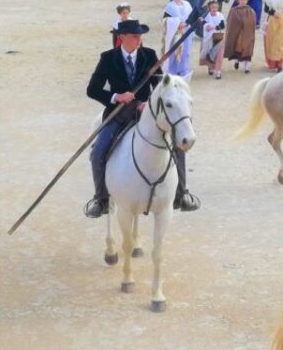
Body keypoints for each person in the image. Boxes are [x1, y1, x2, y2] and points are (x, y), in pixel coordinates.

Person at [85, 19, 199, 218]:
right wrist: (116, 97)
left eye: (140, 36)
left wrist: (149, 102)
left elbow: (163, 86)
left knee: (178, 146)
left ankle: (181, 194)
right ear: (122, 38)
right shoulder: (108, 58)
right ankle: (101, 198)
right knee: (97, 153)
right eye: (135, 36)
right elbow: (92, 89)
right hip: (118, 114)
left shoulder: (149, 56)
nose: (139, 39)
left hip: (147, 114)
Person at [162, 0, 194, 79]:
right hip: (175, 31)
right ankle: (172, 70)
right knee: (174, 50)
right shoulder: (170, 7)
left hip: (187, 30)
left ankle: (183, 69)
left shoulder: (187, 4)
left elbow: (192, 16)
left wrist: (187, 23)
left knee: (185, 51)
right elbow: (165, 20)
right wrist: (177, 24)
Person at [224, 0, 256, 73]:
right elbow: (230, 23)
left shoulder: (251, 11)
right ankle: (236, 60)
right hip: (237, 34)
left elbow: (252, 23)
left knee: (247, 48)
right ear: (238, 0)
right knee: (237, 46)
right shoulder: (233, 11)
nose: (243, 1)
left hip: (247, 34)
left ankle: (247, 67)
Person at [199, 0, 225, 79]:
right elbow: (203, 23)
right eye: (212, 7)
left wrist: (214, 27)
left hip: (219, 38)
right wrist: (205, 25)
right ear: (209, 7)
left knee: (219, 55)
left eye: (216, 7)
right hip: (208, 39)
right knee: (209, 54)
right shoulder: (206, 15)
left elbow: (222, 25)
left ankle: (218, 72)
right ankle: (210, 67)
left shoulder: (220, 15)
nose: (214, 9)